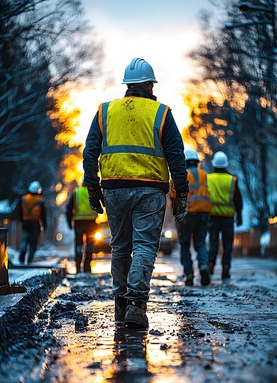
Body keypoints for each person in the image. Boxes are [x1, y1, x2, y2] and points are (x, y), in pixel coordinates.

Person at [82, 57, 189, 328]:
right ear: (150, 86)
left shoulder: (105, 111)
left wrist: (92, 188)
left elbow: (90, 151)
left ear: (127, 85)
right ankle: (136, 306)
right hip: (150, 190)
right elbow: (176, 156)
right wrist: (181, 194)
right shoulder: (161, 113)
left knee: (120, 247)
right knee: (144, 246)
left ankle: (120, 305)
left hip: (114, 188)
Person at [174, 149, 211, 286]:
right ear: (197, 162)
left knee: (185, 244)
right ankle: (203, 266)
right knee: (200, 243)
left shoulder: (183, 175)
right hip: (203, 213)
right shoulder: (204, 174)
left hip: (187, 214)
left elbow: (174, 193)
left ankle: (189, 274)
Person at [207, 151, 243, 280]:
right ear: (226, 165)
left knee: (213, 242)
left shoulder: (208, 178)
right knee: (227, 244)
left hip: (212, 217)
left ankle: (210, 266)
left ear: (214, 164)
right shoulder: (232, 180)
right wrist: (239, 216)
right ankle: (226, 269)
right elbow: (238, 200)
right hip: (228, 218)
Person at [66, 184, 98, 273]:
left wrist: (69, 223)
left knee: (78, 244)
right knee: (90, 245)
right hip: (91, 222)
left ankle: (78, 266)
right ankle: (87, 266)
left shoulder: (76, 192)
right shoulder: (93, 193)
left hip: (79, 222)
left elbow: (68, 209)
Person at [19, 181, 47, 264]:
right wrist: (44, 225)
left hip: (26, 222)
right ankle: (30, 258)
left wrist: (22, 221)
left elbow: (20, 212)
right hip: (35, 224)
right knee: (33, 242)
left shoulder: (24, 199)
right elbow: (43, 215)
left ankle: (21, 257)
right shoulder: (40, 200)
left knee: (25, 240)